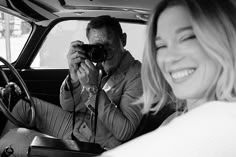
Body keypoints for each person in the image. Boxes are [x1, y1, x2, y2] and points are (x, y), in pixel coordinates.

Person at [101, 0, 236, 156]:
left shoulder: (225, 122)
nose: (169, 58)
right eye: (161, 46)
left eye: (186, 38)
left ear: (226, 39)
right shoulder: (175, 120)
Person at [0, 15, 143, 155]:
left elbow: (125, 131)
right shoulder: (97, 66)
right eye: (97, 47)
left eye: (108, 45)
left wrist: (92, 89)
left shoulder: (137, 74)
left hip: (98, 143)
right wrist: (73, 76)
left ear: (123, 40)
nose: (104, 52)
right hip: (79, 124)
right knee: (23, 106)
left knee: (11, 142)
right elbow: (68, 106)